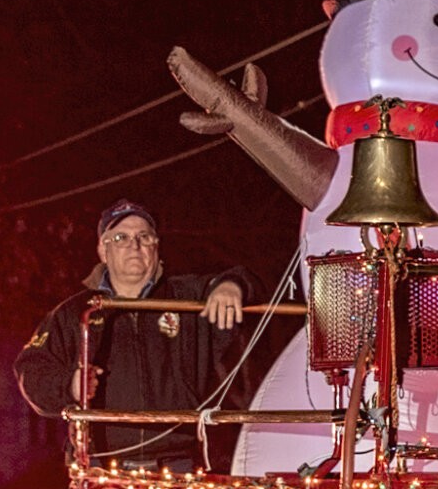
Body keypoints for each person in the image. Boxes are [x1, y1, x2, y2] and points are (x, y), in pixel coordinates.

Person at [14, 199, 257, 470]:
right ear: (102, 250)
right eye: (121, 237)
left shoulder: (188, 299)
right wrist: (69, 386)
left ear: (156, 246)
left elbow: (252, 281)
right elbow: (31, 370)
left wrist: (231, 285)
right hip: (101, 468)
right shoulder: (73, 313)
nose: (134, 244)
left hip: (179, 467)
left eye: (144, 236)